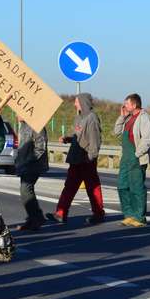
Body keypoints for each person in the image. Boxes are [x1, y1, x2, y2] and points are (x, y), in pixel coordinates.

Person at [47, 93, 105, 225]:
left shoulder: (92, 118)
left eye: (76, 101)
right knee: (69, 186)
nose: (74, 104)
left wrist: (91, 157)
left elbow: (95, 141)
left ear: (83, 102)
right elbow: (78, 137)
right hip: (75, 159)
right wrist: (68, 139)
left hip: (86, 160)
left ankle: (98, 213)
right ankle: (60, 214)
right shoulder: (78, 118)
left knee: (92, 187)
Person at [113, 93, 150, 228]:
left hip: (137, 158)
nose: (124, 106)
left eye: (127, 104)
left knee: (137, 188)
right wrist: (122, 116)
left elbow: (147, 139)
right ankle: (129, 215)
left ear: (134, 105)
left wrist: (137, 154)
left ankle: (139, 217)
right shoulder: (128, 118)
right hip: (125, 158)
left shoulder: (144, 118)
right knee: (122, 186)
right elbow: (116, 132)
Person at [14, 115, 48, 231]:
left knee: (26, 190)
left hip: (33, 165)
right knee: (26, 191)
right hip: (24, 165)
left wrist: (29, 161)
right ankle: (34, 217)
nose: (16, 115)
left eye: (18, 112)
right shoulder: (23, 126)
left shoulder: (37, 125)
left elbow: (40, 147)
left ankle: (36, 218)